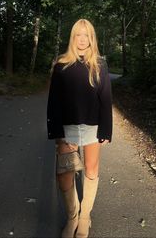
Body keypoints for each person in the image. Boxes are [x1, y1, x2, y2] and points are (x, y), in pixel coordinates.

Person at [47, 19, 113, 238]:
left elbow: (105, 98)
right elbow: (54, 101)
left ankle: (85, 217)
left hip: (93, 127)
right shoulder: (61, 65)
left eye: (87, 35)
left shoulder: (100, 64)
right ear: (73, 38)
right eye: (78, 35)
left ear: (92, 38)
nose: (82, 39)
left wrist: (106, 129)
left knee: (91, 172)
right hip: (67, 127)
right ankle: (72, 217)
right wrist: (56, 131)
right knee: (65, 175)